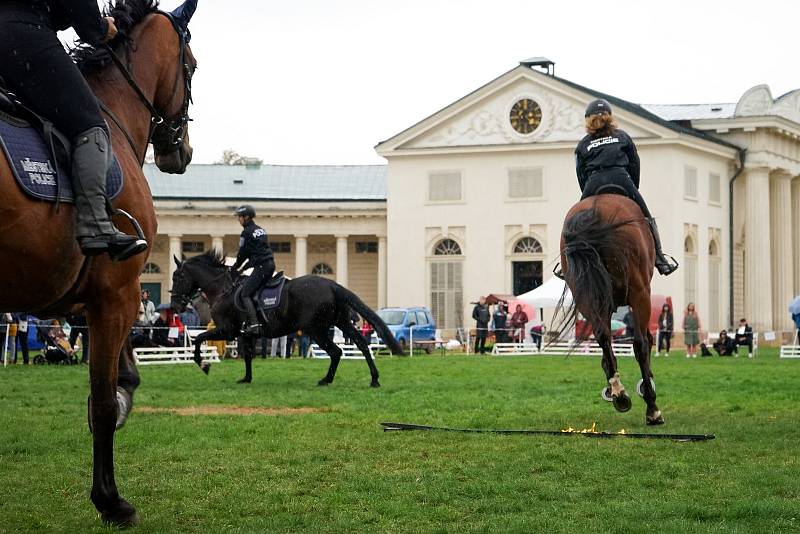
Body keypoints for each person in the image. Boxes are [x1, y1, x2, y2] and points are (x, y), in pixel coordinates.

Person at [0, 1, 146, 261]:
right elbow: (80, 12)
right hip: (23, 35)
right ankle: (95, 224)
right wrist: (101, 28)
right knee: (90, 125)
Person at [575, 99, 677, 276]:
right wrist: (632, 190)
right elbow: (635, 164)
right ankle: (660, 259)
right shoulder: (622, 136)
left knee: (576, 223)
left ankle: (571, 262)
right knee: (646, 217)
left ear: (588, 120)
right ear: (610, 118)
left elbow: (580, 173)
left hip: (594, 182)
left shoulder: (583, 144)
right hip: (621, 178)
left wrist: (588, 194)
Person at [231, 205, 275, 335]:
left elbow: (243, 253)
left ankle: (255, 324)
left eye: (240, 216)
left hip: (262, 267)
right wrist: (244, 267)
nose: (238, 219)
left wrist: (235, 266)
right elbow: (256, 253)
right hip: (270, 264)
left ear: (246, 217)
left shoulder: (246, 232)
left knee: (245, 293)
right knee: (256, 291)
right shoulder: (261, 230)